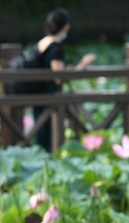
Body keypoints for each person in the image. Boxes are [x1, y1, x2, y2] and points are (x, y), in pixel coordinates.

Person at [32, 8, 95, 151]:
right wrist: (83, 64)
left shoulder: (42, 42)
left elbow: (52, 68)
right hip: (49, 96)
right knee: (48, 138)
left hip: (37, 93)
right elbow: (59, 78)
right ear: (65, 26)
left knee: (39, 134)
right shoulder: (56, 47)